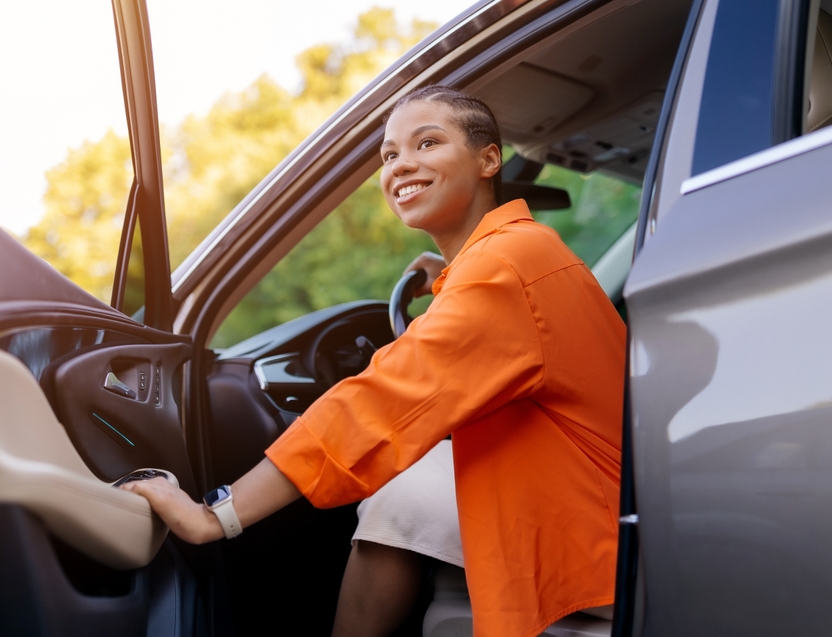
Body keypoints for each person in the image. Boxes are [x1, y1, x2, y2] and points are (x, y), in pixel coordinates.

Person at [124, 85, 626, 637]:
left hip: (600, 541)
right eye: (389, 155)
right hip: (606, 504)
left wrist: (215, 515)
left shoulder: (505, 267)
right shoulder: (516, 254)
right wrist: (449, 271)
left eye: (427, 142)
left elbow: (379, 400)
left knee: (399, 491)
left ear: (488, 160)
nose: (401, 164)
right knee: (404, 493)